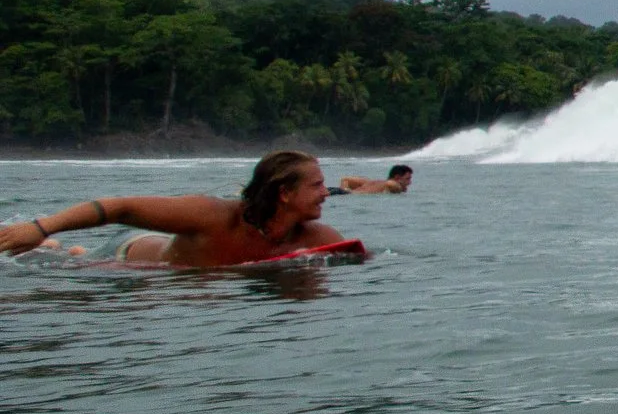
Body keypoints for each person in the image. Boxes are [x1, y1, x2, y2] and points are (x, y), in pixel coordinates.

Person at [0, 150, 352, 267]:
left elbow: (360, 259)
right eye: (317, 185)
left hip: (185, 267)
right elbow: (119, 207)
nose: (326, 193)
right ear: (285, 194)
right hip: (128, 254)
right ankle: (55, 245)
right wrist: (41, 227)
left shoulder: (318, 236)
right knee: (74, 259)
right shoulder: (212, 215)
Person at [336, 165, 413, 195]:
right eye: (407, 179)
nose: (410, 182)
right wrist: (400, 187)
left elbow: (345, 179)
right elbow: (390, 184)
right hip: (345, 193)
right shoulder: (394, 184)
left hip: (342, 192)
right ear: (397, 177)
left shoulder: (370, 182)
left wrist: (345, 191)